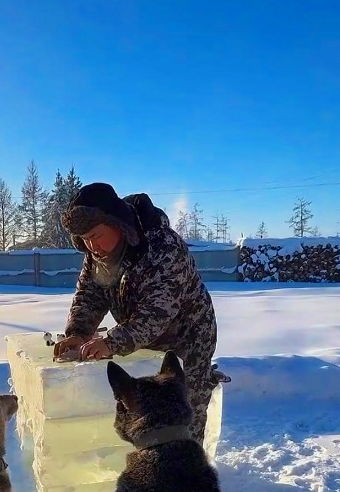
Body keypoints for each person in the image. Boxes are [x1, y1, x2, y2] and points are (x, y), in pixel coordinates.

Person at [54, 182, 219, 445]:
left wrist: (112, 342)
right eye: (84, 240)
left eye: (96, 236)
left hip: (189, 337)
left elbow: (156, 313)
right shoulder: (96, 255)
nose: (92, 247)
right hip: (141, 336)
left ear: (116, 223)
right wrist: (78, 333)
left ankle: (187, 471)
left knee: (186, 407)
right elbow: (89, 295)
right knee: (146, 410)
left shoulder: (163, 247)